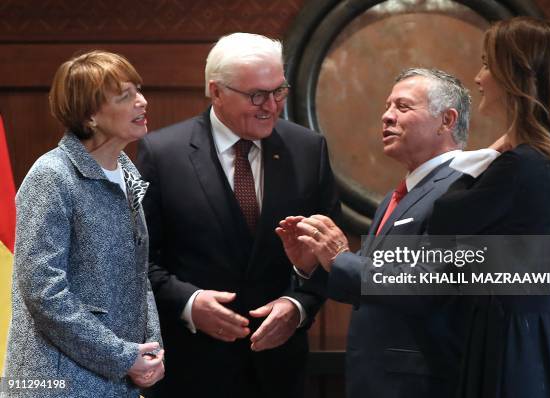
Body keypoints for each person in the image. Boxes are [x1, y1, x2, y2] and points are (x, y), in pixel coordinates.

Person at [136, 33, 339, 397]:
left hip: (278, 371)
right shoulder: (162, 154)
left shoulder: (309, 150)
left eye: (278, 91)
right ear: (216, 92)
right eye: (256, 95)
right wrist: (189, 303)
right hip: (191, 370)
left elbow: (329, 255)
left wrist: (298, 305)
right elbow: (137, 260)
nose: (271, 106)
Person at [277, 68, 496, 398]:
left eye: (403, 107)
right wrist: (315, 265)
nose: (387, 116)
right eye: (387, 106)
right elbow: (374, 285)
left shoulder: (461, 189)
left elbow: (428, 284)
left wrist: (341, 259)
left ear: (447, 120)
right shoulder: (400, 194)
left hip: (422, 382)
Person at [427, 17, 550, 397]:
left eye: (488, 64)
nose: (478, 76)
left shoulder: (521, 165)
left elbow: (442, 220)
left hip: (508, 340)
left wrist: (490, 153)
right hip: (534, 332)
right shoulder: (549, 159)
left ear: (519, 78)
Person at [3, 50, 164, 397]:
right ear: (90, 115)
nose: (142, 102)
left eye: (139, 90)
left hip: (118, 377)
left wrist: (151, 347)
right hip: (59, 384)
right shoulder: (51, 176)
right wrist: (122, 357)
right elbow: (45, 293)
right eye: (126, 96)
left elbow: (137, 275)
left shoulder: (127, 169)